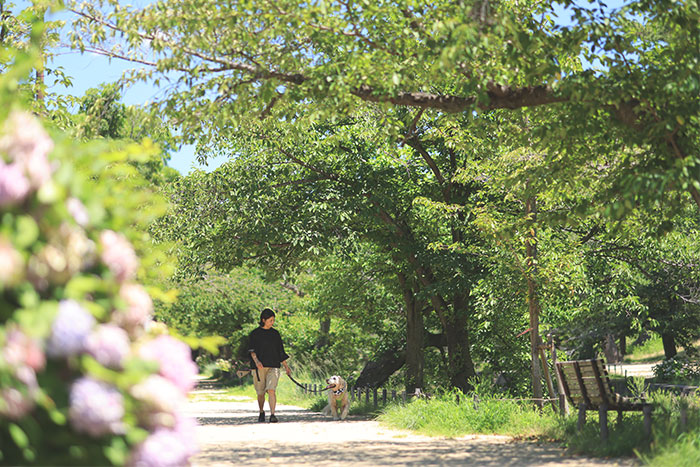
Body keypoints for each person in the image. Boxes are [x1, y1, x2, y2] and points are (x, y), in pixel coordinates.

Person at [248, 308, 291, 423]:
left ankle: (272, 414)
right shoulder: (255, 334)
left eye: (273, 320)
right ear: (263, 320)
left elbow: (280, 351)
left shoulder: (275, 334)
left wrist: (286, 366)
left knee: (271, 390)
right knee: (261, 392)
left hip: (274, 366)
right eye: (270, 320)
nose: (272, 322)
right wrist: (257, 362)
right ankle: (261, 412)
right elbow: (252, 351)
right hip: (259, 367)